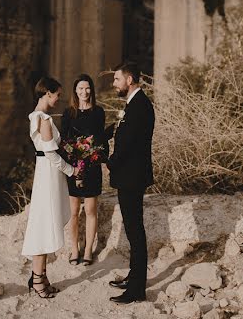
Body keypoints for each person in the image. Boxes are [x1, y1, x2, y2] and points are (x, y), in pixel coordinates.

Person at [21, 77, 79, 299]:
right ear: (47, 94)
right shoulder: (43, 119)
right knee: (43, 226)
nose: (58, 99)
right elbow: (50, 154)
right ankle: (37, 280)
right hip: (48, 175)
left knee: (45, 224)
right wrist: (72, 171)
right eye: (57, 95)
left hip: (47, 174)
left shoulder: (37, 116)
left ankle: (41, 276)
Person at [106, 61, 155, 304]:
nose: (114, 83)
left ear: (130, 80)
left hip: (132, 177)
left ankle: (137, 289)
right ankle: (134, 276)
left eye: (117, 79)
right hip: (130, 176)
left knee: (135, 232)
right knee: (132, 229)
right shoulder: (133, 104)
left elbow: (129, 145)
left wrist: (110, 161)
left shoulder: (140, 106)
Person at [59, 74, 107, 266]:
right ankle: (74, 249)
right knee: (73, 211)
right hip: (73, 167)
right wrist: (72, 162)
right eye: (80, 88)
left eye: (87, 88)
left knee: (90, 210)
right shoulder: (68, 113)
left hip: (93, 165)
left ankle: (88, 250)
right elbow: (63, 140)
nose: (84, 92)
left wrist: (102, 159)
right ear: (75, 91)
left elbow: (102, 139)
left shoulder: (98, 112)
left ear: (91, 90)